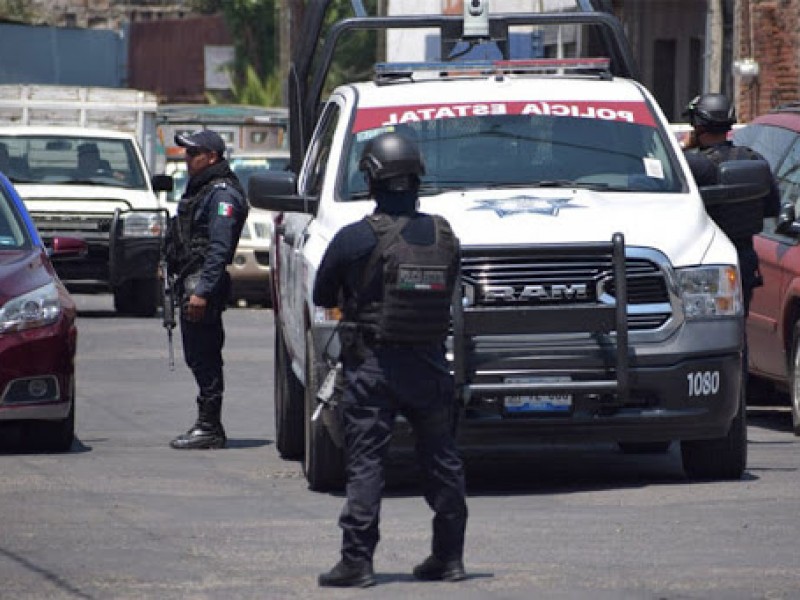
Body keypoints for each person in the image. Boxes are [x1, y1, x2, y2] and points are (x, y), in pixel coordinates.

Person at [313, 131, 468, 588]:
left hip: (374, 366)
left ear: (371, 180)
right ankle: (450, 557)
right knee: (443, 461)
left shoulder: (355, 238)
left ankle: (357, 563)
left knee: (367, 464)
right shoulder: (444, 235)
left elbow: (324, 295)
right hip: (430, 364)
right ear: (416, 178)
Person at [162, 130, 248, 450]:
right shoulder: (202, 189)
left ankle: (209, 425)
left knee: (205, 355)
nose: (187, 160)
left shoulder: (222, 194)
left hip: (202, 284)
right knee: (197, 355)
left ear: (211, 157)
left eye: (193, 153)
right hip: (191, 279)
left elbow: (219, 248)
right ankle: (208, 424)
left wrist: (203, 291)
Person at [682, 92, 780, 313]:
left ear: (698, 126)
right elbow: (772, 207)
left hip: (703, 259)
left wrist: (682, 150)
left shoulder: (693, 165)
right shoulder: (754, 160)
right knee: (736, 329)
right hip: (743, 257)